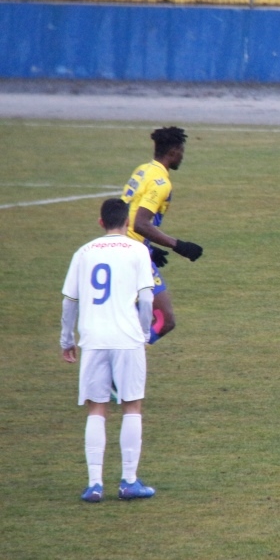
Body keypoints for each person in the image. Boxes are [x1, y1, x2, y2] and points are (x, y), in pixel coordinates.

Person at [61, 198, 157, 502]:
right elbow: (147, 299)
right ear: (127, 222)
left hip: (93, 340)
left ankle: (94, 484)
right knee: (132, 405)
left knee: (96, 408)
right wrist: (143, 333)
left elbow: (69, 302)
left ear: (101, 222)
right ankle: (129, 480)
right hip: (126, 338)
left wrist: (67, 340)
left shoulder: (84, 252)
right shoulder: (138, 250)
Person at [121, 126, 203, 343]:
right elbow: (140, 223)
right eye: (182, 151)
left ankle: (117, 357)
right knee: (164, 320)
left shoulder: (142, 170)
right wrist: (178, 246)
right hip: (133, 253)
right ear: (174, 151)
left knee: (132, 313)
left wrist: (150, 248)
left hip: (122, 245)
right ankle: (127, 358)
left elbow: (126, 214)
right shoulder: (161, 182)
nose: (183, 156)